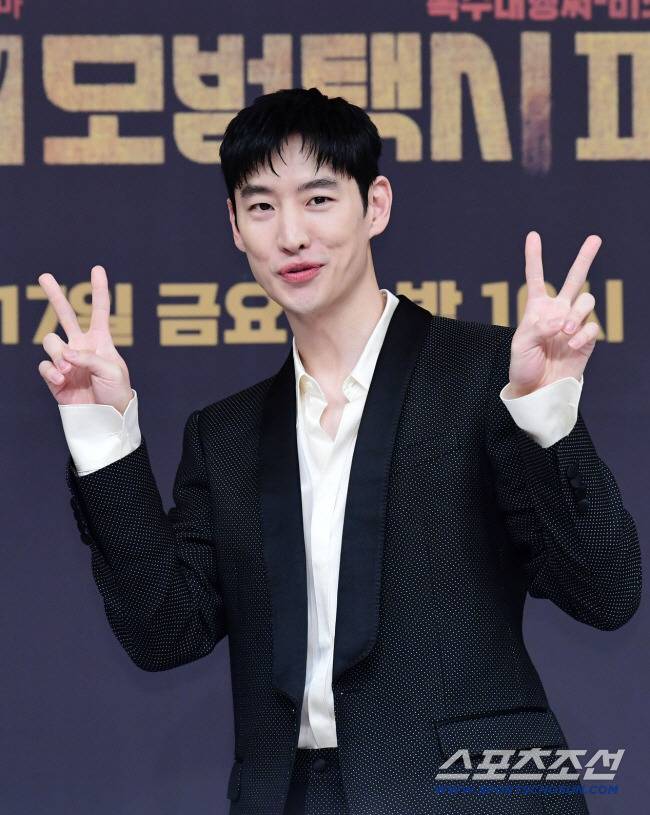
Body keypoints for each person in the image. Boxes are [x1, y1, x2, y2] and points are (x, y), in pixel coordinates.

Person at [38, 87, 641, 815]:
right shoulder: (224, 436)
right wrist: (103, 436)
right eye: (262, 207)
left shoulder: (490, 376)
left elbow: (604, 592)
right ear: (235, 226)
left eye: (318, 199)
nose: (292, 235)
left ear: (374, 205)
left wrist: (546, 415)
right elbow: (165, 632)